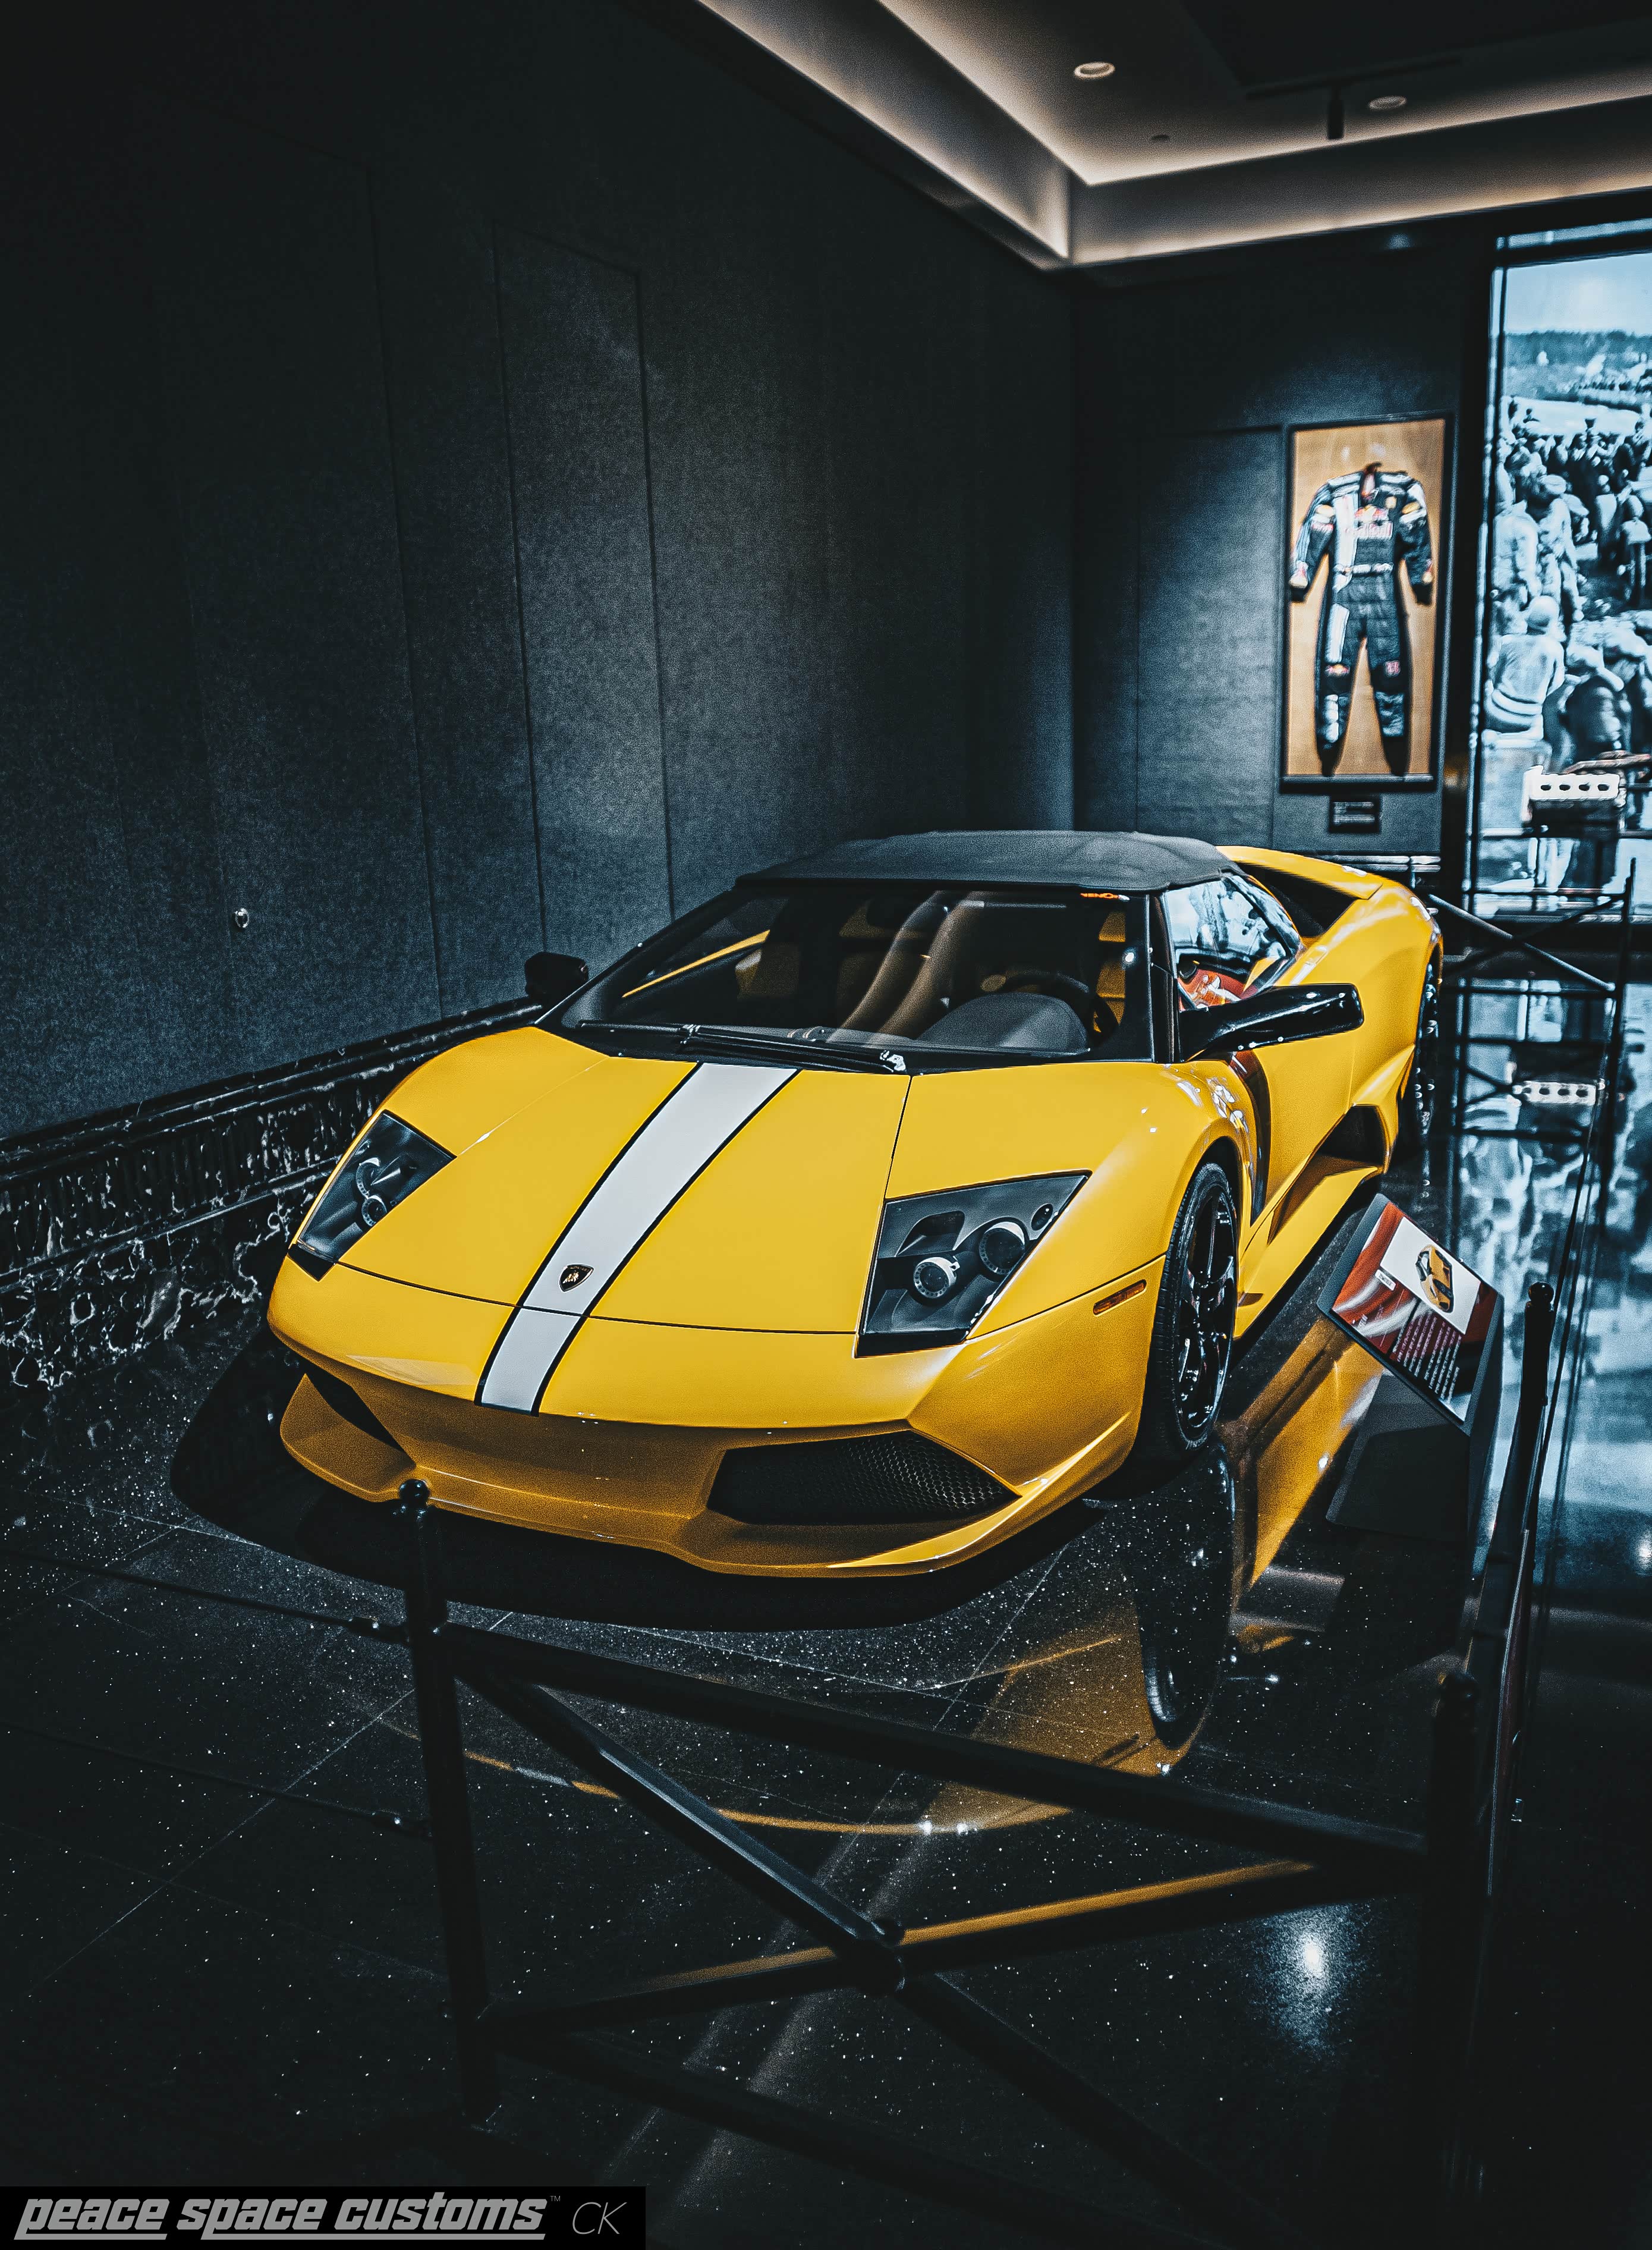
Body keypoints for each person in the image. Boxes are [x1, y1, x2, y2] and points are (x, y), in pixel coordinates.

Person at [1288, 461, 1433, 775]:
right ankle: (1329, 742)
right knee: (1334, 670)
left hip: (1384, 590)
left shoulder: (1403, 490)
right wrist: (1302, 571)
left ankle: (1395, 744)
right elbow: (1313, 529)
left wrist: (1421, 574)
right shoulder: (1334, 492)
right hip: (1344, 591)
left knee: (1391, 673)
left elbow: (1417, 530)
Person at [1483, 596, 1566, 740]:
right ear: (1552, 622)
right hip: (1529, 718)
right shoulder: (1556, 649)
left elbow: (1494, 675)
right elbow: (1557, 683)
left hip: (1497, 711)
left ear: (1528, 616)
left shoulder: (1507, 642)